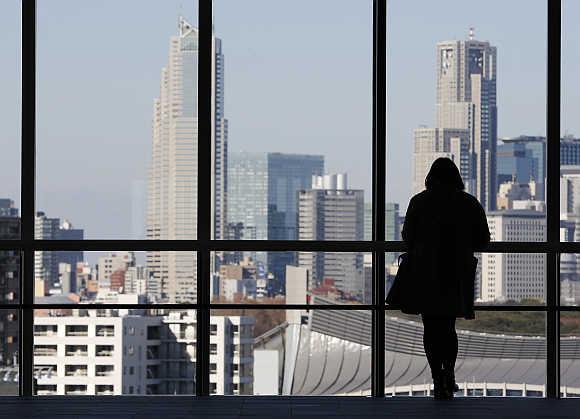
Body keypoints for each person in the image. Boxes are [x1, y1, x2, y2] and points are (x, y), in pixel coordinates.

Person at [401, 157, 490, 400]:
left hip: (424, 272)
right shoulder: (468, 203)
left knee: (430, 329)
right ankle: (448, 374)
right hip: (456, 272)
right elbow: (484, 240)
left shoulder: (419, 202)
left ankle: (436, 378)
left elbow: (407, 238)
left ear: (430, 177)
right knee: (449, 328)